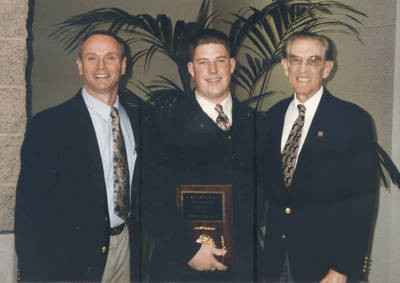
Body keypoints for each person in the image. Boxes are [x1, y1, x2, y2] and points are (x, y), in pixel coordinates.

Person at [14, 31, 143, 282]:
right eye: (92, 58)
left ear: (124, 65)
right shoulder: (49, 124)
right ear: (80, 65)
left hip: (124, 249)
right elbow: (29, 210)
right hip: (71, 257)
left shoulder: (137, 119)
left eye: (110, 58)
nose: (102, 66)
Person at [258, 31, 378, 282]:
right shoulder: (272, 117)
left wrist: (343, 267)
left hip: (327, 265)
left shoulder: (352, 120)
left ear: (327, 68)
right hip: (276, 260)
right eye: (296, 60)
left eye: (313, 60)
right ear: (285, 65)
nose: (303, 69)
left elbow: (363, 202)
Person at [142, 29, 257, 282]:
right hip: (180, 267)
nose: (213, 70)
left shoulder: (257, 123)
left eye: (220, 61)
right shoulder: (164, 124)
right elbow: (148, 198)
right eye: (204, 63)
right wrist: (189, 251)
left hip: (241, 270)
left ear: (232, 65)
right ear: (192, 69)